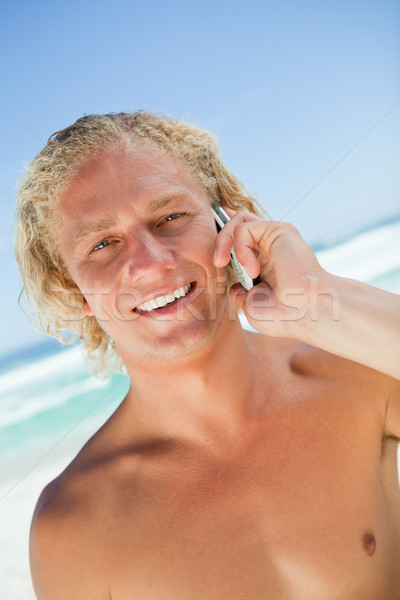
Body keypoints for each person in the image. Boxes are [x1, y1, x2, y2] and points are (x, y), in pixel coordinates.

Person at [15, 112, 400, 599]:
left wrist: (318, 299)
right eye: (104, 243)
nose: (152, 264)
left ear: (227, 222)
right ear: (76, 291)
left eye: (171, 217)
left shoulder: (357, 371)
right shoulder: (72, 526)